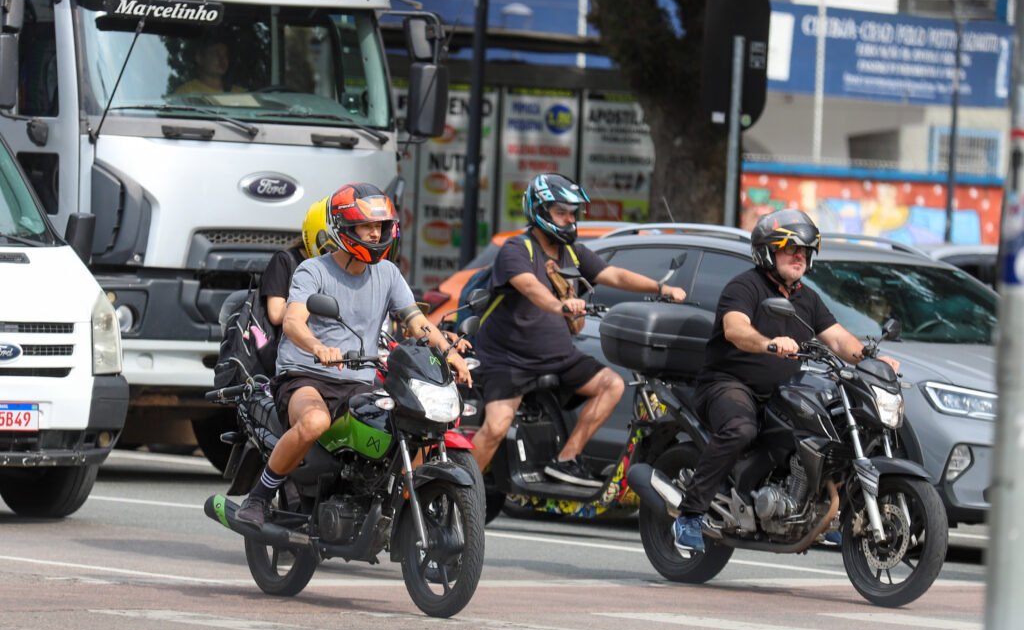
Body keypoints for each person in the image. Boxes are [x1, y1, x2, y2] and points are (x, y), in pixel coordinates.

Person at [235, 183, 471, 528]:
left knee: (410, 426)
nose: (376, 234)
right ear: (345, 229)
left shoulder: (388, 273)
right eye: (366, 226)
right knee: (315, 422)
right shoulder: (313, 270)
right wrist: (318, 347)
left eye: (381, 226)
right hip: (307, 375)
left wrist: (449, 353)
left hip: (361, 381)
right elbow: (292, 321)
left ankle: (391, 506)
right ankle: (258, 497)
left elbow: (416, 321)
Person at [672, 209, 901, 553]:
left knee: (829, 429)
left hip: (781, 392)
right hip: (729, 384)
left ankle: (820, 511)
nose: (799, 256)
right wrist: (769, 343)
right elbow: (735, 329)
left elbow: (838, 340)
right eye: (790, 249)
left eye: (804, 251)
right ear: (767, 251)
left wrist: (872, 360)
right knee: (740, 428)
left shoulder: (806, 298)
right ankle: (689, 514)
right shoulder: (745, 286)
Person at [469, 173, 686, 487]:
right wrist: (561, 306)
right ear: (540, 211)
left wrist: (662, 288)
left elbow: (615, 275)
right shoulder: (517, 250)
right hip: (510, 359)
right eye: (561, 212)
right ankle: (461, 492)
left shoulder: (572, 252)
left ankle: (566, 460)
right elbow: (530, 288)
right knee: (496, 428)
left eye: (573, 213)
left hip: (559, 357)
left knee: (611, 384)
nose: (569, 220)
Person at [175, 39, 245, 94]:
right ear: (199, 58)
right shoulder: (186, 93)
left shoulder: (241, 94)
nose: (222, 59)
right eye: (216, 53)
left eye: (225, 55)